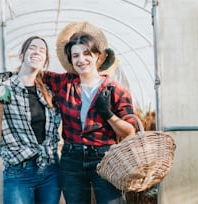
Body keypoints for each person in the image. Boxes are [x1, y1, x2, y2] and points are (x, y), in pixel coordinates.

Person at [42, 22, 136, 203]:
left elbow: (129, 132)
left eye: (86, 53)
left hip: (105, 158)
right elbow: (36, 74)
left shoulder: (115, 90)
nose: (81, 60)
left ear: (97, 56)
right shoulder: (65, 83)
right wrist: (10, 75)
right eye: (75, 55)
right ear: (70, 60)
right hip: (71, 160)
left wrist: (108, 114)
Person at [0, 36, 61, 204]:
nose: (37, 51)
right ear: (21, 55)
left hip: (50, 172)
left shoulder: (49, 92)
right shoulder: (5, 88)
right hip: (19, 174)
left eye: (42, 50)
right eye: (32, 48)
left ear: (45, 61)